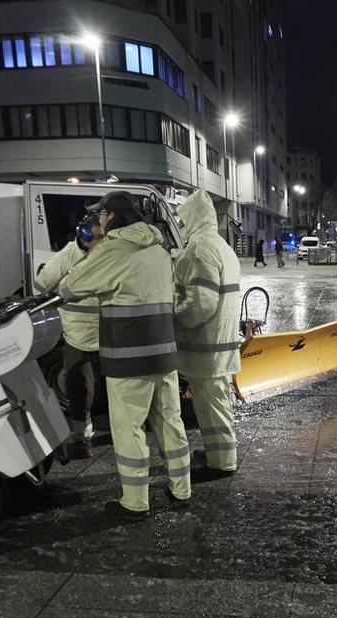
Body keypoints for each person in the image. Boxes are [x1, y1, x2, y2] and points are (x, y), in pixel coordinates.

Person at [58, 191, 191, 520]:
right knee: (170, 422)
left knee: (129, 429)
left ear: (111, 216)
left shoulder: (113, 249)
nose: (98, 221)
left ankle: (134, 502)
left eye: (100, 215)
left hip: (129, 357)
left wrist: (96, 253)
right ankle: (181, 489)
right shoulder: (159, 250)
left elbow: (69, 287)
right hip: (163, 354)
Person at [172, 189, 242, 480]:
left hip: (205, 346)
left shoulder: (200, 249)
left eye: (183, 218)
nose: (181, 224)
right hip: (218, 343)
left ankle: (222, 461)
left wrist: (174, 321)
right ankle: (218, 452)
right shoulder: (221, 246)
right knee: (215, 402)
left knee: (211, 405)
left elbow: (201, 303)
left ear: (192, 218)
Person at [34, 212, 103, 460]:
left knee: (118, 387)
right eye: (94, 237)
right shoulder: (68, 255)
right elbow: (42, 284)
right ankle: (82, 439)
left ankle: (126, 433)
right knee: (78, 387)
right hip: (77, 333)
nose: (97, 243)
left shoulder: (107, 254)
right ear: (83, 235)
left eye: (101, 237)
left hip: (107, 331)